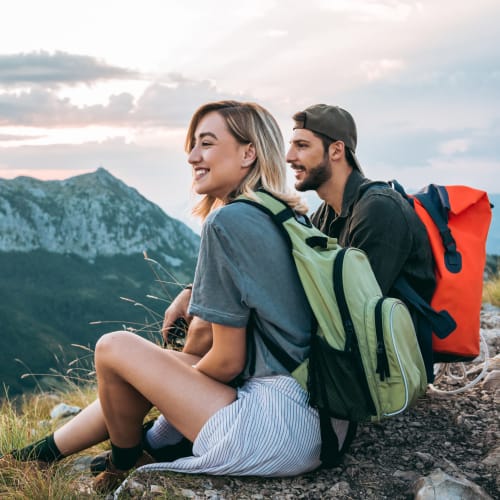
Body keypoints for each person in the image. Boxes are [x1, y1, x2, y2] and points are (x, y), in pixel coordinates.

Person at [0, 101, 326, 494]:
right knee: (159, 364)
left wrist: (163, 400)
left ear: (248, 152)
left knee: (113, 348)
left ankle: (126, 462)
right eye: (192, 146)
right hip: (315, 418)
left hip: (274, 429)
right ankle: (35, 458)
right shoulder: (286, 215)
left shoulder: (228, 221)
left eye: (205, 144)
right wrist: (168, 364)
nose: (192, 157)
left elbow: (227, 360)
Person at [286, 104, 436, 379]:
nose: (289, 157)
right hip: (358, 354)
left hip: (388, 370)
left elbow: (355, 310)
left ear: (336, 150)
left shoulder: (379, 210)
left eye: (302, 146)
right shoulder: (328, 213)